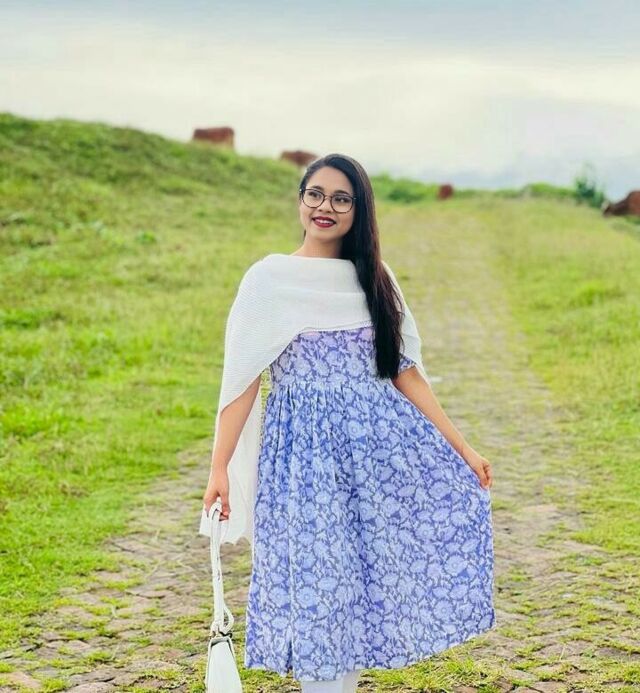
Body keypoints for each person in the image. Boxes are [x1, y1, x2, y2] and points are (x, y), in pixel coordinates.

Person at [202, 153, 496, 692]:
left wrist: (463, 449)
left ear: (359, 211)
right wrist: (218, 468)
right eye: (315, 194)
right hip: (303, 462)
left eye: (342, 199)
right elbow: (242, 382)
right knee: (320, 584)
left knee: (359, 583)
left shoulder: (375, 279)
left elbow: (405, 372)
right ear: (300, 200)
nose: (326, 207)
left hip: (374, 455)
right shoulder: (269, 280)